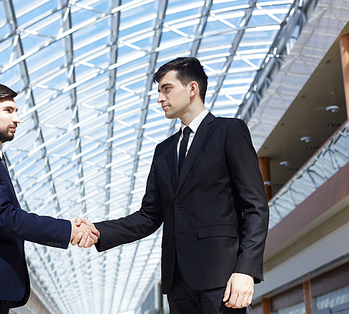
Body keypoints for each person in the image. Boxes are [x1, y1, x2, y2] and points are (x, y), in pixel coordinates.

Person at [76, 57, 269, 313]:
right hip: (177, 282)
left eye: (166, 89)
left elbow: (256, 206)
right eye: (158, 91)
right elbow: (149, 215)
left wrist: (246, 270)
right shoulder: (163, 151)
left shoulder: (229, 131)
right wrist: (100, 231)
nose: (159, 98)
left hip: (221, 279)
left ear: (192, 89)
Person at [0, 83, 99, 314]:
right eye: (8, 110)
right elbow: (4, 217)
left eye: (16, 111)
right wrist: (68, 230)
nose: (17, 118)